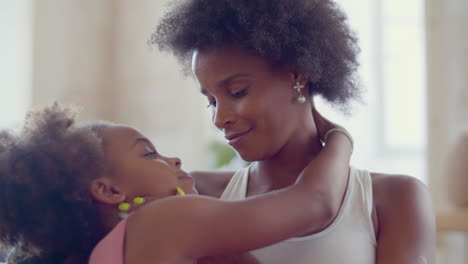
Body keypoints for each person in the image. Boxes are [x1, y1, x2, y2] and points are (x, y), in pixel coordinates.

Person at [153, 0, 436, 263]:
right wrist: (341, 138)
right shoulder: (200, 193)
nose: (219, 118)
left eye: (238, 92)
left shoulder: (394, 197)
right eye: (211, 102)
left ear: (297, 75)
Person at [0, 103, 352, 264]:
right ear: (108, 190)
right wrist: (340, 139)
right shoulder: (164, 220)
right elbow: (316, 202)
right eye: (149, 155)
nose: (176, 161)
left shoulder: (106, 250)